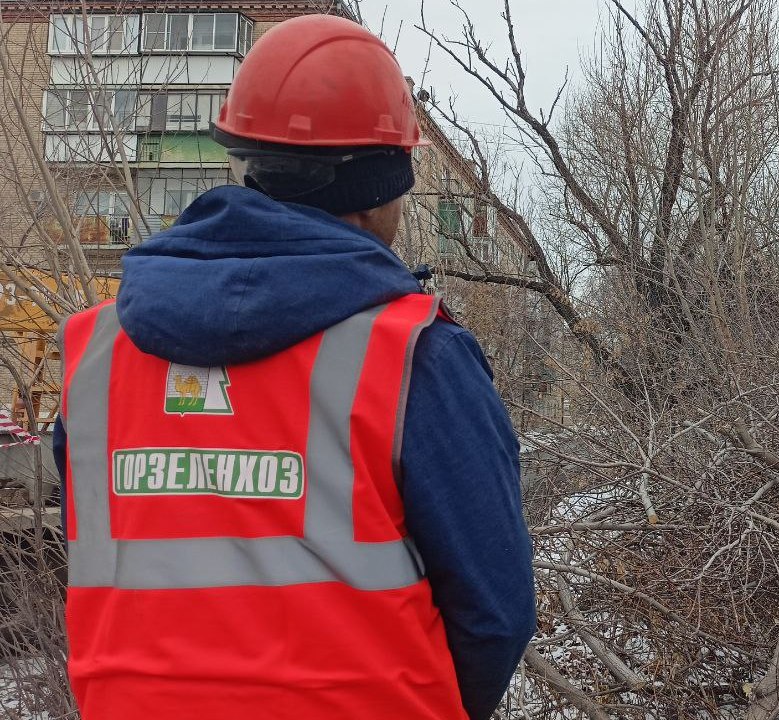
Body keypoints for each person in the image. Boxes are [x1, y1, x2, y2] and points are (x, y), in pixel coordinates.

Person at [53, 14, 535, 720]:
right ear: (382, 186)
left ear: (248, 158)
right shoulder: (415, 356)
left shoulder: (93, 352)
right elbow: (495, 614)